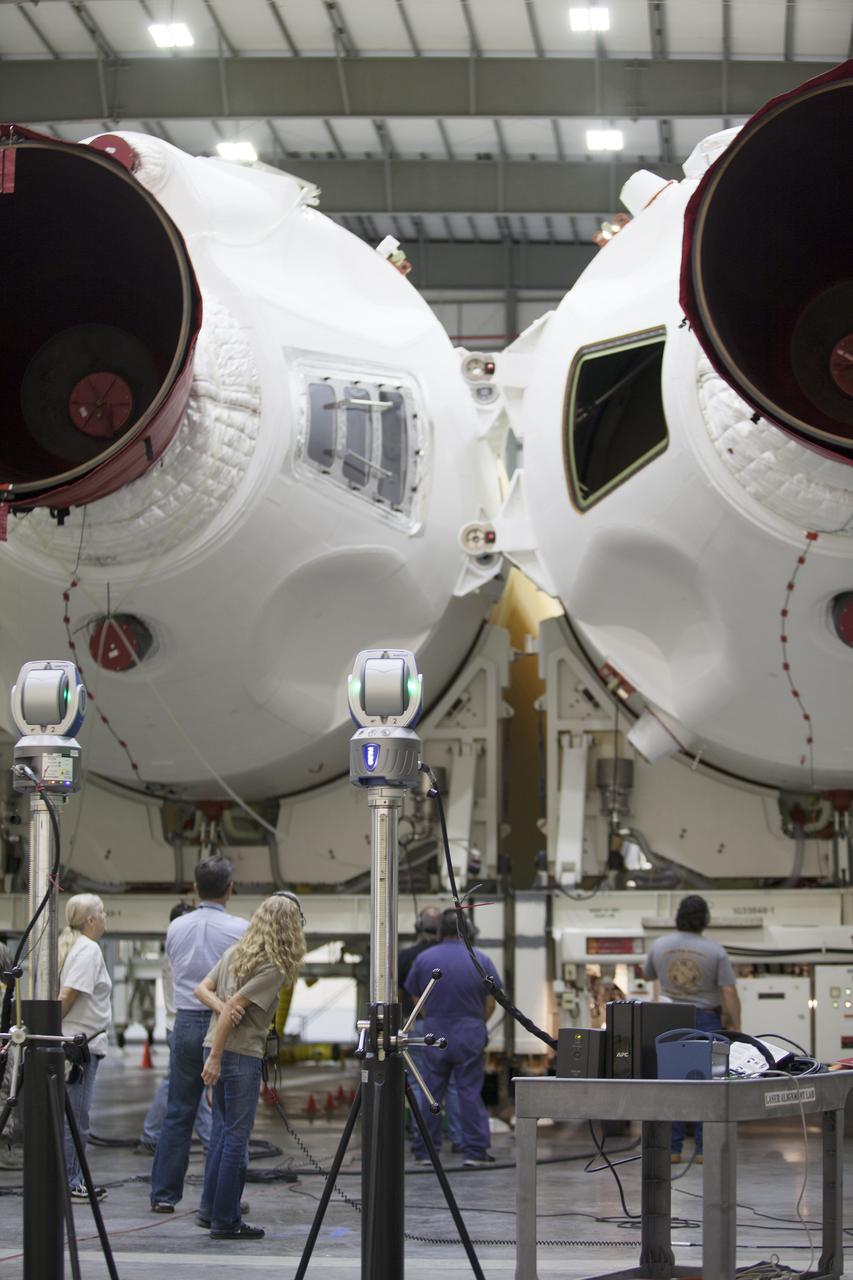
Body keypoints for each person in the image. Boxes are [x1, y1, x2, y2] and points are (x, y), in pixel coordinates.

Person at [196, 891, 306, 1240]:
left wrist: (220, 1013)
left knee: (222, 1131)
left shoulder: (235, 953)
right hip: (239, 1053)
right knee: (236, 1139)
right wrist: (216, 1056)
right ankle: (226, 1221)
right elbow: (233, 1008)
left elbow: (202, 989)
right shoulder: (273, 966)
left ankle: (209, 1209)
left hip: (217, 1046)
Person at [149, 857, 247, 1213]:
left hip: (185, 1022)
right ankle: (217, 1201)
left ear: (195, 888)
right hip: (222, 1023)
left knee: (179, 1111)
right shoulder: (241, 929)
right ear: (230, 889)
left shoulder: (176, 927)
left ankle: (163, 1195)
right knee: (223, 1115)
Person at [644, 894, 741, 1163]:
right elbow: (728, 991)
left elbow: (647, 974)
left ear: (678, 917)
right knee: (706, 1084)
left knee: (670, 1083)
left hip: (668, 1020)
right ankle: (703, 1150)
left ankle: (673, 1150)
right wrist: (735, 1024)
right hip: (706, 1020)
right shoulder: (715, 951)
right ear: (705, 919)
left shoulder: (659, 945)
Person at [404, 907, 501, 1169]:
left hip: (435, 1032)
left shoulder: (424, 959)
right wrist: (477, 1022)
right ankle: (475, 1151)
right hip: (470, 1033)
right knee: (469, 1092)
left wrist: (432, 1016)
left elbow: (415, 996)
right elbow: (492, 1000)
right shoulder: (481, 959)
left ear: (439, 932)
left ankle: (426, 1152)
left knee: (430, 1093)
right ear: (467, 931)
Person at [136, 903, 212, 1155]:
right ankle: (154, 1134)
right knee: (184, 1084)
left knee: (183, 1083)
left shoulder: (174, 950)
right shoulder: (178, 954)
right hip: (182, 1024)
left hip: (178, 1025)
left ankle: (153, 1134)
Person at [58, 894, 112, 1201]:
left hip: (78, 1043)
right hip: (80, 1047)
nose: (106, 917)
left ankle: (68, 1177)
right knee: (77, 1119)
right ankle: (70, 1181)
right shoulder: (88, 950)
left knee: (74, 1117)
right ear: (90, 920)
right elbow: (68, 996)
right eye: (102, 913)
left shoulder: (76, 947)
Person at [398, 906, 463, 1152]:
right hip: (449, 1026)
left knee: (419, 1084)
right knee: (454, 1085)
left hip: (416, 1026)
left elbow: (400, 993)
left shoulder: (407, 957)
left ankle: (424, 1138)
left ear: (417, 926)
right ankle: (458, 1139)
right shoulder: (450, 957)